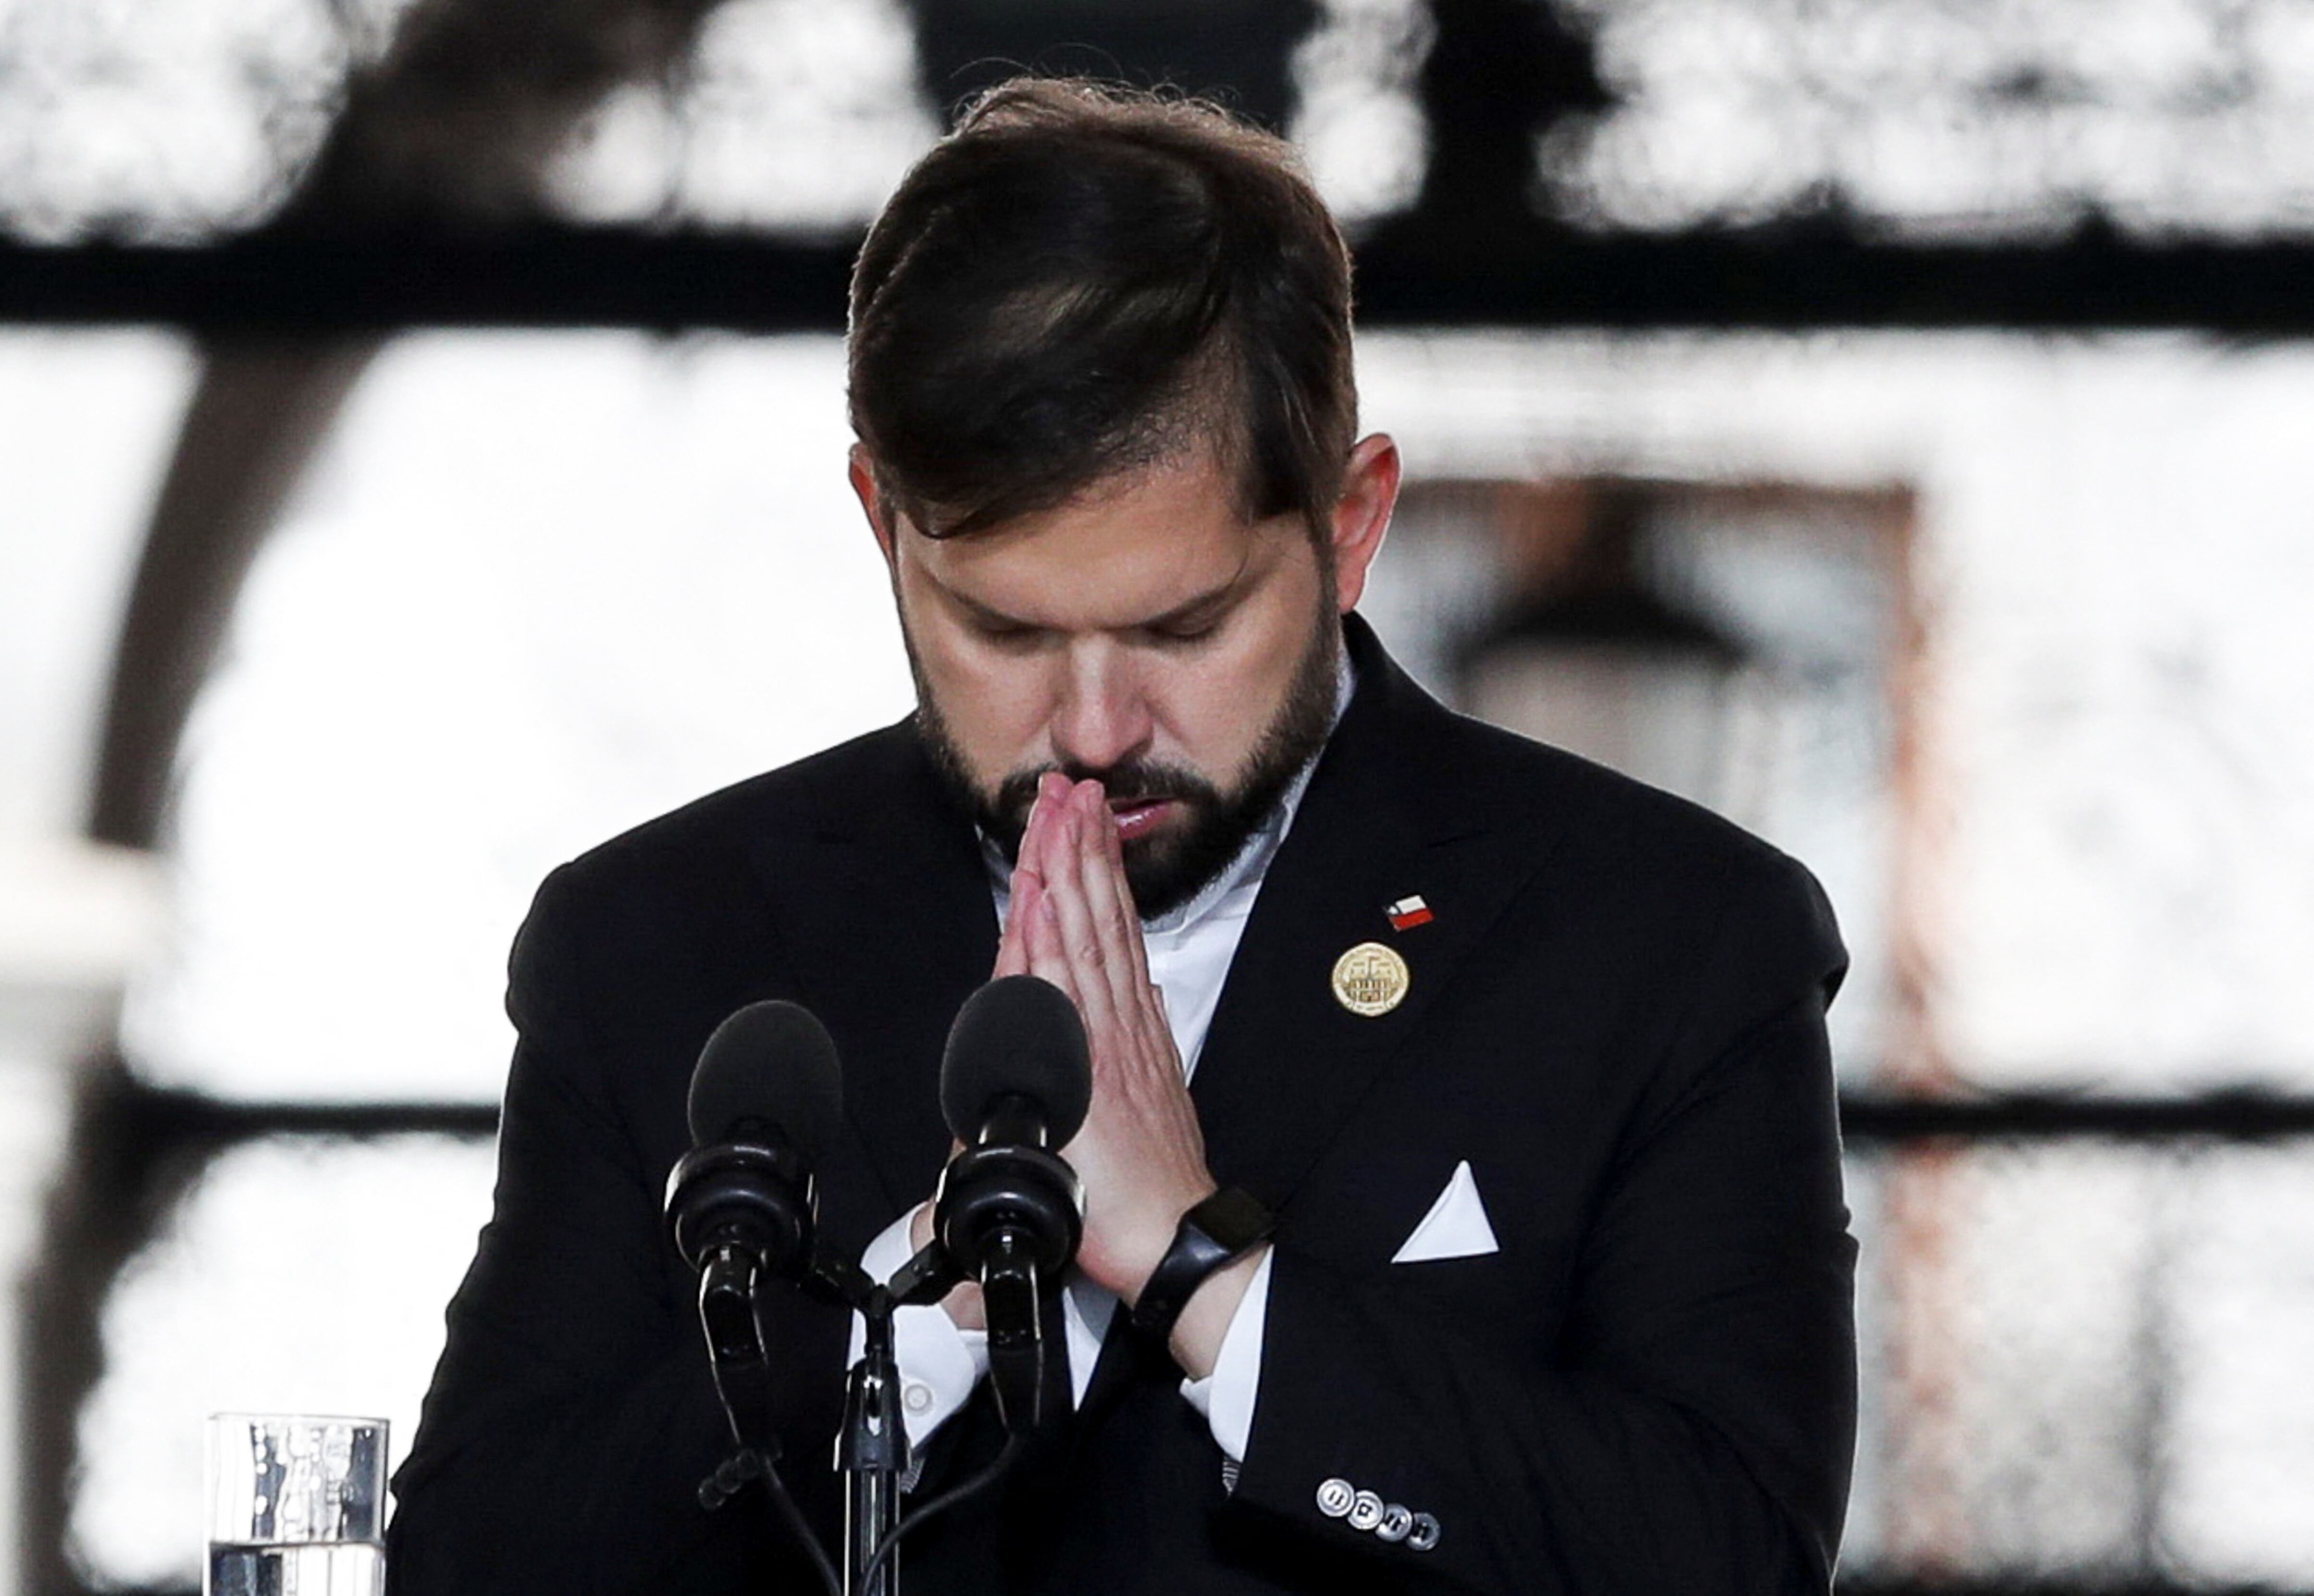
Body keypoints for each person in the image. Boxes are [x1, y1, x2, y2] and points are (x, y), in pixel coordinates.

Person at [387, 78, 1857, 1595]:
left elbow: (1730, 1558)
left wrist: (1203, 1273)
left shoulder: (1668, 940)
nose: (1093, 726)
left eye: (1184, 624)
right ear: (882, 524)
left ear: (1350, 525)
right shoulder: (656, 944)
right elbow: (470, 1560)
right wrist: (926, 1309)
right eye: (1003, 630)